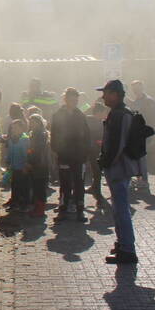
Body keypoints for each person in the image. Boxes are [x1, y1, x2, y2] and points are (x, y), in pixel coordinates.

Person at [97, 79, 142, 265]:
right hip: (121, 167)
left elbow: (117, 145)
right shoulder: (120, 113)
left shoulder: (119, 115)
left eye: (106, 93)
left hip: (118, 168)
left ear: (115, 94)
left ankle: (127, 250)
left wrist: (105, 162)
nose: (103, 96)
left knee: (121, 209)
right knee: (118, 208)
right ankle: (122, 243)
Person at [50, 88, 91, 221]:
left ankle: (80, 210)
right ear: (65, 99)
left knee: (79, 183)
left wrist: (86, 152)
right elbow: (54, 134)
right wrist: (56, 150)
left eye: (76, 99)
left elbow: (86, 135)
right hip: (64, 155)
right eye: (71, 99)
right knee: (65, 183)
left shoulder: (80, 115)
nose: (73, 102)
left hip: (79, 155)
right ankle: (63, 209)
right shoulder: (58, 115)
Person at [128, 80, 155, 190]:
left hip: (144, 133)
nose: (135, 90)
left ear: (142, 88)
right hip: (137, 133)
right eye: (134, 88)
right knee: (138, 157)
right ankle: (140, 179)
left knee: (141, 158)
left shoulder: (148, 101)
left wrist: (154, 134)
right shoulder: (137, 100)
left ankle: (144, 181)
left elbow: (153, 118)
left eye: (137, 88)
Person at [3, 103, 30, 210]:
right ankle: (14, 201)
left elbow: (27, 153)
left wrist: (26, 164)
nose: (14, 130)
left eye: (16, 128)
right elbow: (10, 152)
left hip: (22, 167)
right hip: (14, 166)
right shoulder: (11, 140)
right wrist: (8, 161)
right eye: (13, 128)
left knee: (23, 185)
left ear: (22, 129)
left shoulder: (25, 140)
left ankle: (23, 203)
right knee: (14, 185)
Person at [27, 113, 50, 217]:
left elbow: (37, 150)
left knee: (40, 187)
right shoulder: (34, 133)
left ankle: (40, 209)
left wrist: (31, 161)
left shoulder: (40, 134)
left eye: (34, 122)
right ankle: (37, 207)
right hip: (38, 163)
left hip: (40, 164)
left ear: (39, 123)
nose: (32, 124)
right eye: (31, 122)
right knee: (36, 186)